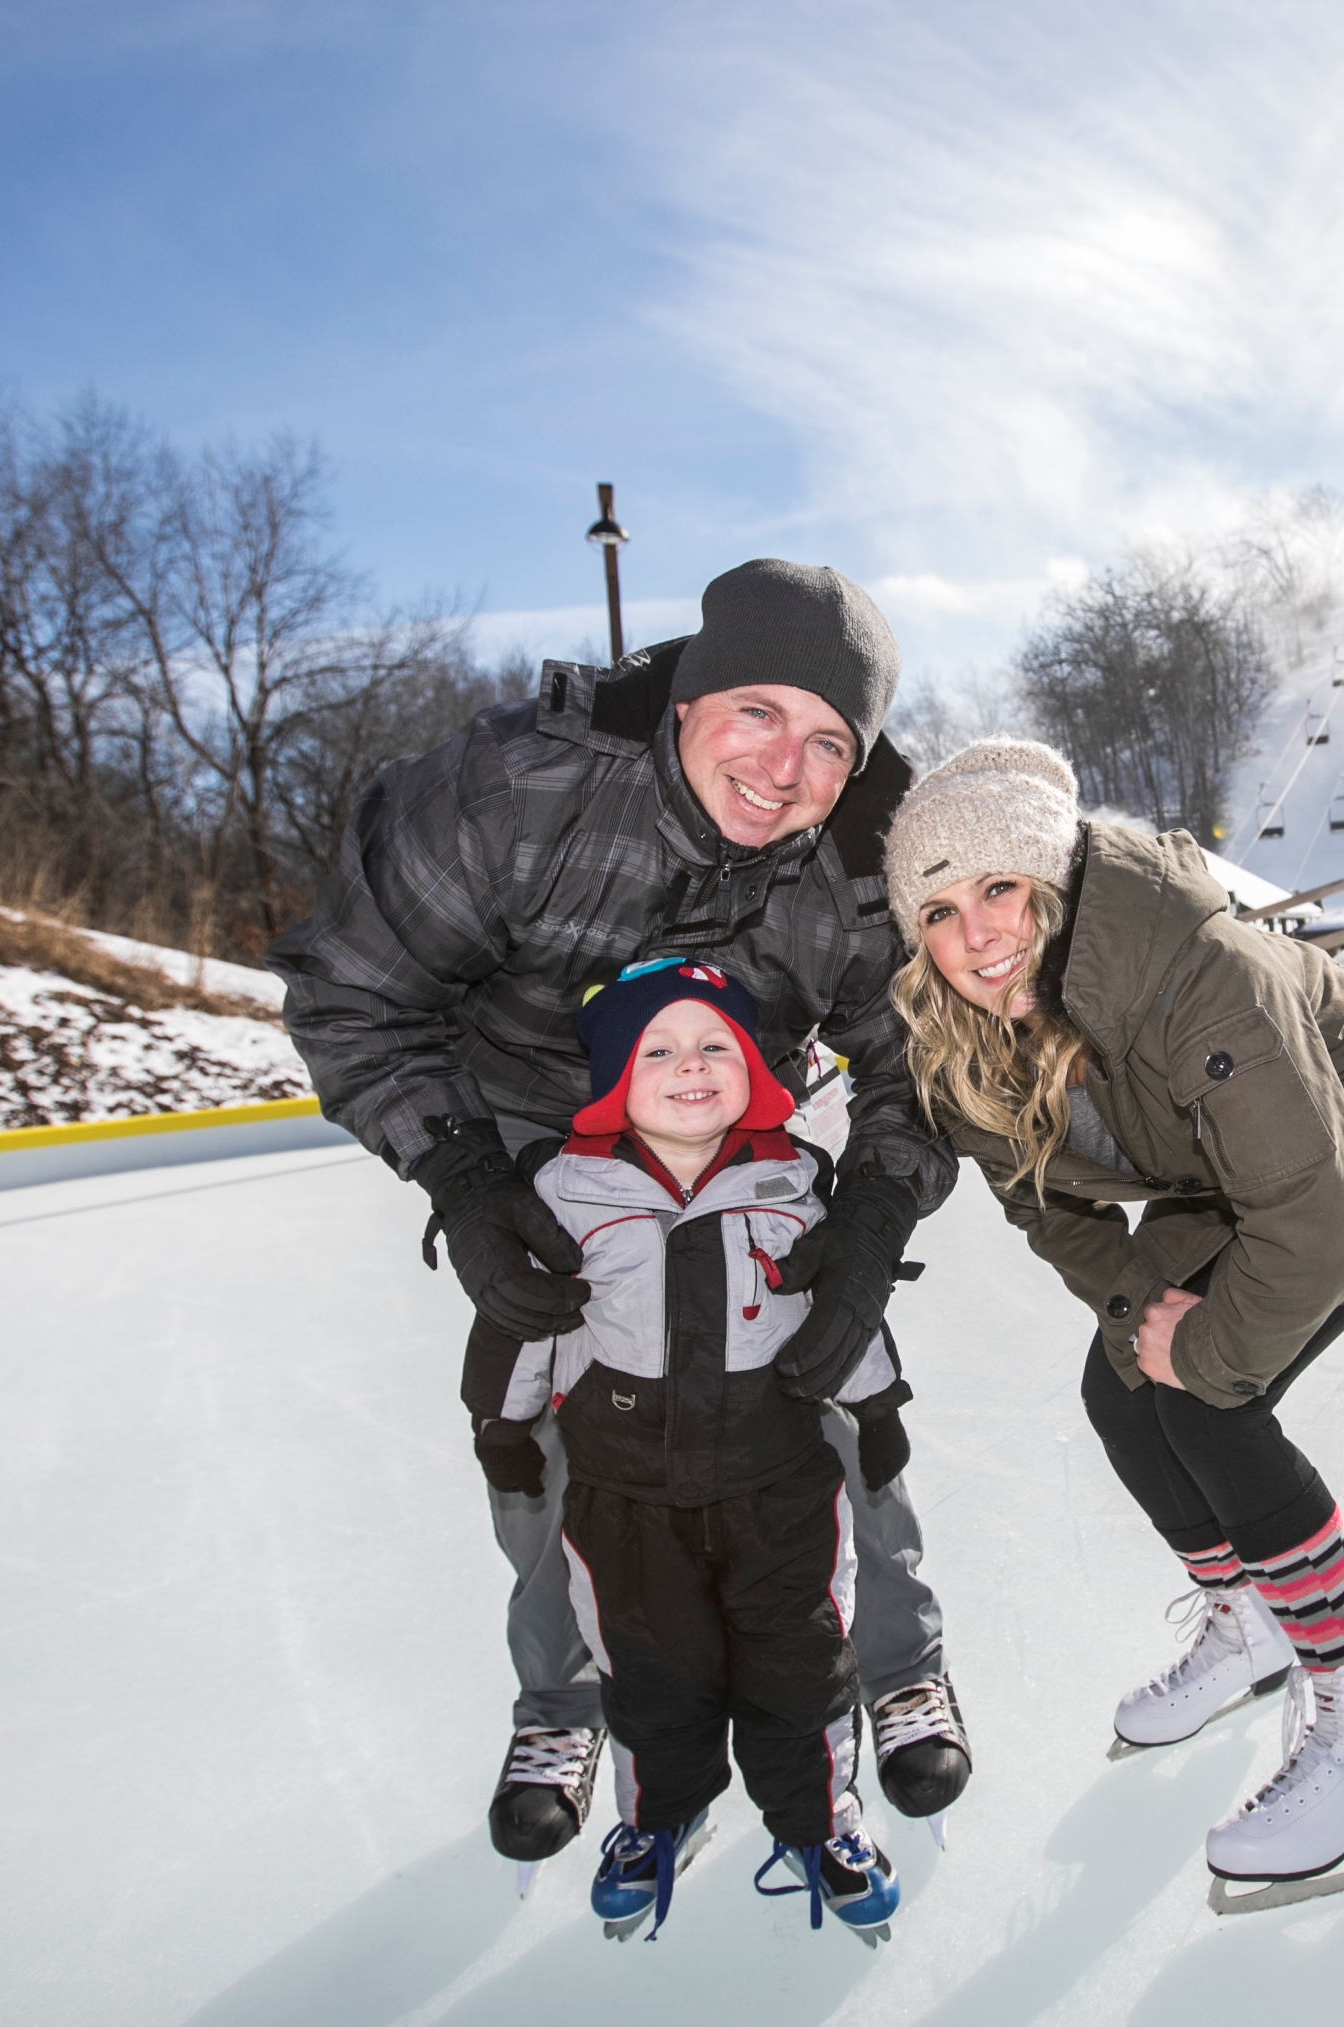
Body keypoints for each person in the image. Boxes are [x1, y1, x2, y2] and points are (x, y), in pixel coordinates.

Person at [267, 561, 969, 1876]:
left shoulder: (871, 855)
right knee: (535, 1421)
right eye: (758, 711)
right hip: (526, 1126)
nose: (786, 767)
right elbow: (357, 995)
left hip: (737, 1115)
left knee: (827, 1385)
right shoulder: (512, 789)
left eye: (831, 740)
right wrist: (468, 1182)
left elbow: (918, 1062)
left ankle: (897, 1665)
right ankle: (565, 1700)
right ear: (690, 696)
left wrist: (874, 1213)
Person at [877, 739, 1344, 1890]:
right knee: (1122, 1377)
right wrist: (1136, 1304)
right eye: (940, 911)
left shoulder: (1196, 965)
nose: (977, 937)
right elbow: (1046, 1209)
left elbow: (1314, 1221)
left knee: (1210, 1393)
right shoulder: (967, 1038)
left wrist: (1201, 1342)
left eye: (1000, 889)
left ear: (1049, 883)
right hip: (1234, 1177)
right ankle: (1247, 1620)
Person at [493, 956, 911, 1941]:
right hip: (623, 1497)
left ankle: (822, 1821)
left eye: (715, 1044)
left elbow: (841, 1306)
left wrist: (880, 1404)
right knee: (649, 1672)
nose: (692, 1065)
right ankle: (655, 1818)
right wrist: (507, 1427)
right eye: (660, 1049)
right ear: (610, 1081)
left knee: (800, 1662)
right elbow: (529, 1325)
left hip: (780, 1491)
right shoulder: (563, 1194)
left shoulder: (794, 1180)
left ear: (756, 1070)